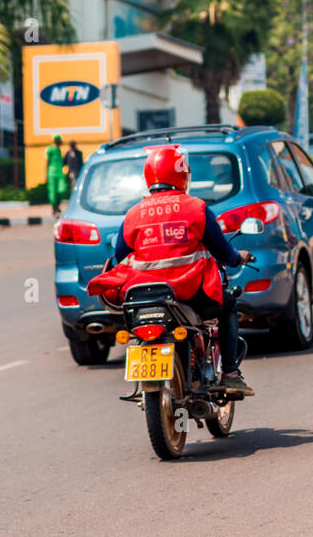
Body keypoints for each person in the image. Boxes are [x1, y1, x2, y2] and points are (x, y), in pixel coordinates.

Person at [87, 143, 255, 395]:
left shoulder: (133, 214)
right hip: (189, 293)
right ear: (182, 174)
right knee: (229, 305)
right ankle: (230, 372)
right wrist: (238, 257)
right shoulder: (196, 207)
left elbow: (119, 256)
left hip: (143, 296)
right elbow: (224, 253)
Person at [46, 134, 66, 216]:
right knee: (53, 192)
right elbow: (46, 162)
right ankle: (54, 208)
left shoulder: (59, 150)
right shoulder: (50, 150)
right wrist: (45, 175)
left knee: (62, 189)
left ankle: (57, 205)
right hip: (51, 173)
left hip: (60, 173)